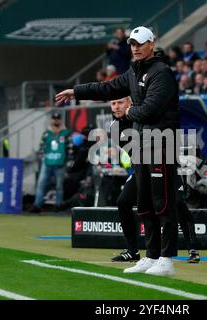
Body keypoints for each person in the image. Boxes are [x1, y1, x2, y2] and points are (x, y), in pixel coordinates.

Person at [56, 26, 180, 276]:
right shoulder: (134, 71)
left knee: (163, 204)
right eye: (132, 44)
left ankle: (167, 260)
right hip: (143, 144)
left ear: (151, 44)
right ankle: (151, 256)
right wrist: (76, 91)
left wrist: (128, 112)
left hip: (161, 142)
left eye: (139, 43)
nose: (134, 48)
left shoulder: (162, 72)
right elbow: (107, 88)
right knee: (144, 203)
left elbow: (150, 109)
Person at [109, 97, 200, 264]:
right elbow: (135, 151)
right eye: (113, 103)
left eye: (120, 102)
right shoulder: (115, 127)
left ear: (130, 103)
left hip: (164, 165)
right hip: (142, 170)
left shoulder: (144, 115)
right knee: (123, 201)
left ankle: (192, 247)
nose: (116, 107)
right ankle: (132, 250)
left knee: (178, 202)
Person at [29, 112, 71, 213]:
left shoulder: (66, 133)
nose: (56, 120)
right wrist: (43, 158)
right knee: (41, 184)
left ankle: (58, 205)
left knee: (59, 186)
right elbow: (41, 147)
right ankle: (37, 205)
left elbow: (70, 148)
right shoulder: (46, 133)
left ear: (61, 120)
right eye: (54, 119)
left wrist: (68, 161)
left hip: (60, 163)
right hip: (47, 163)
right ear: (51, 120)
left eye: (58, 119)